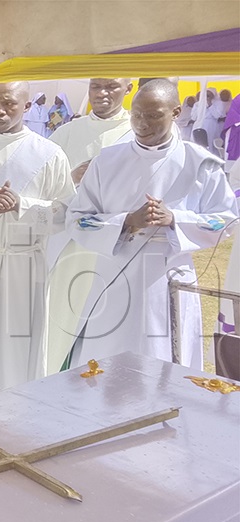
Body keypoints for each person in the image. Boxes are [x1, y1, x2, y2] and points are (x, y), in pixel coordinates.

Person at [65, 79, 237, 370]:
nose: (142, 123)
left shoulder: (200, 163)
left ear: (176, 112)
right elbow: (77, 219)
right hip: (115, 276)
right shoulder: (107, 161)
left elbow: (227, 219)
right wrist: (124, 222)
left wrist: (175, 220)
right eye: (136, 114)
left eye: (154, 115)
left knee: (163, 362)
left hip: (169, 276)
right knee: (109, 363)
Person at [0, 81, 75, 399]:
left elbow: (67, 214)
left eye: (8, 103)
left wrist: (24, 206)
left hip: (25, 268)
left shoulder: (49, 155)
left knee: (17, 346)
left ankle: (14, 414)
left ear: (27, 106)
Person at [44, 78, 135, 373]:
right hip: (71, 245)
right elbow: (49, 188)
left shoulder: (138, 132)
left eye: (112, 87)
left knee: (105, 325)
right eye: (96, 86)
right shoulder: (67, 133)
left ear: (129, 88)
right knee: (61, 319)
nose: (102, 94)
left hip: (117, 246)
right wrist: (72, 178)